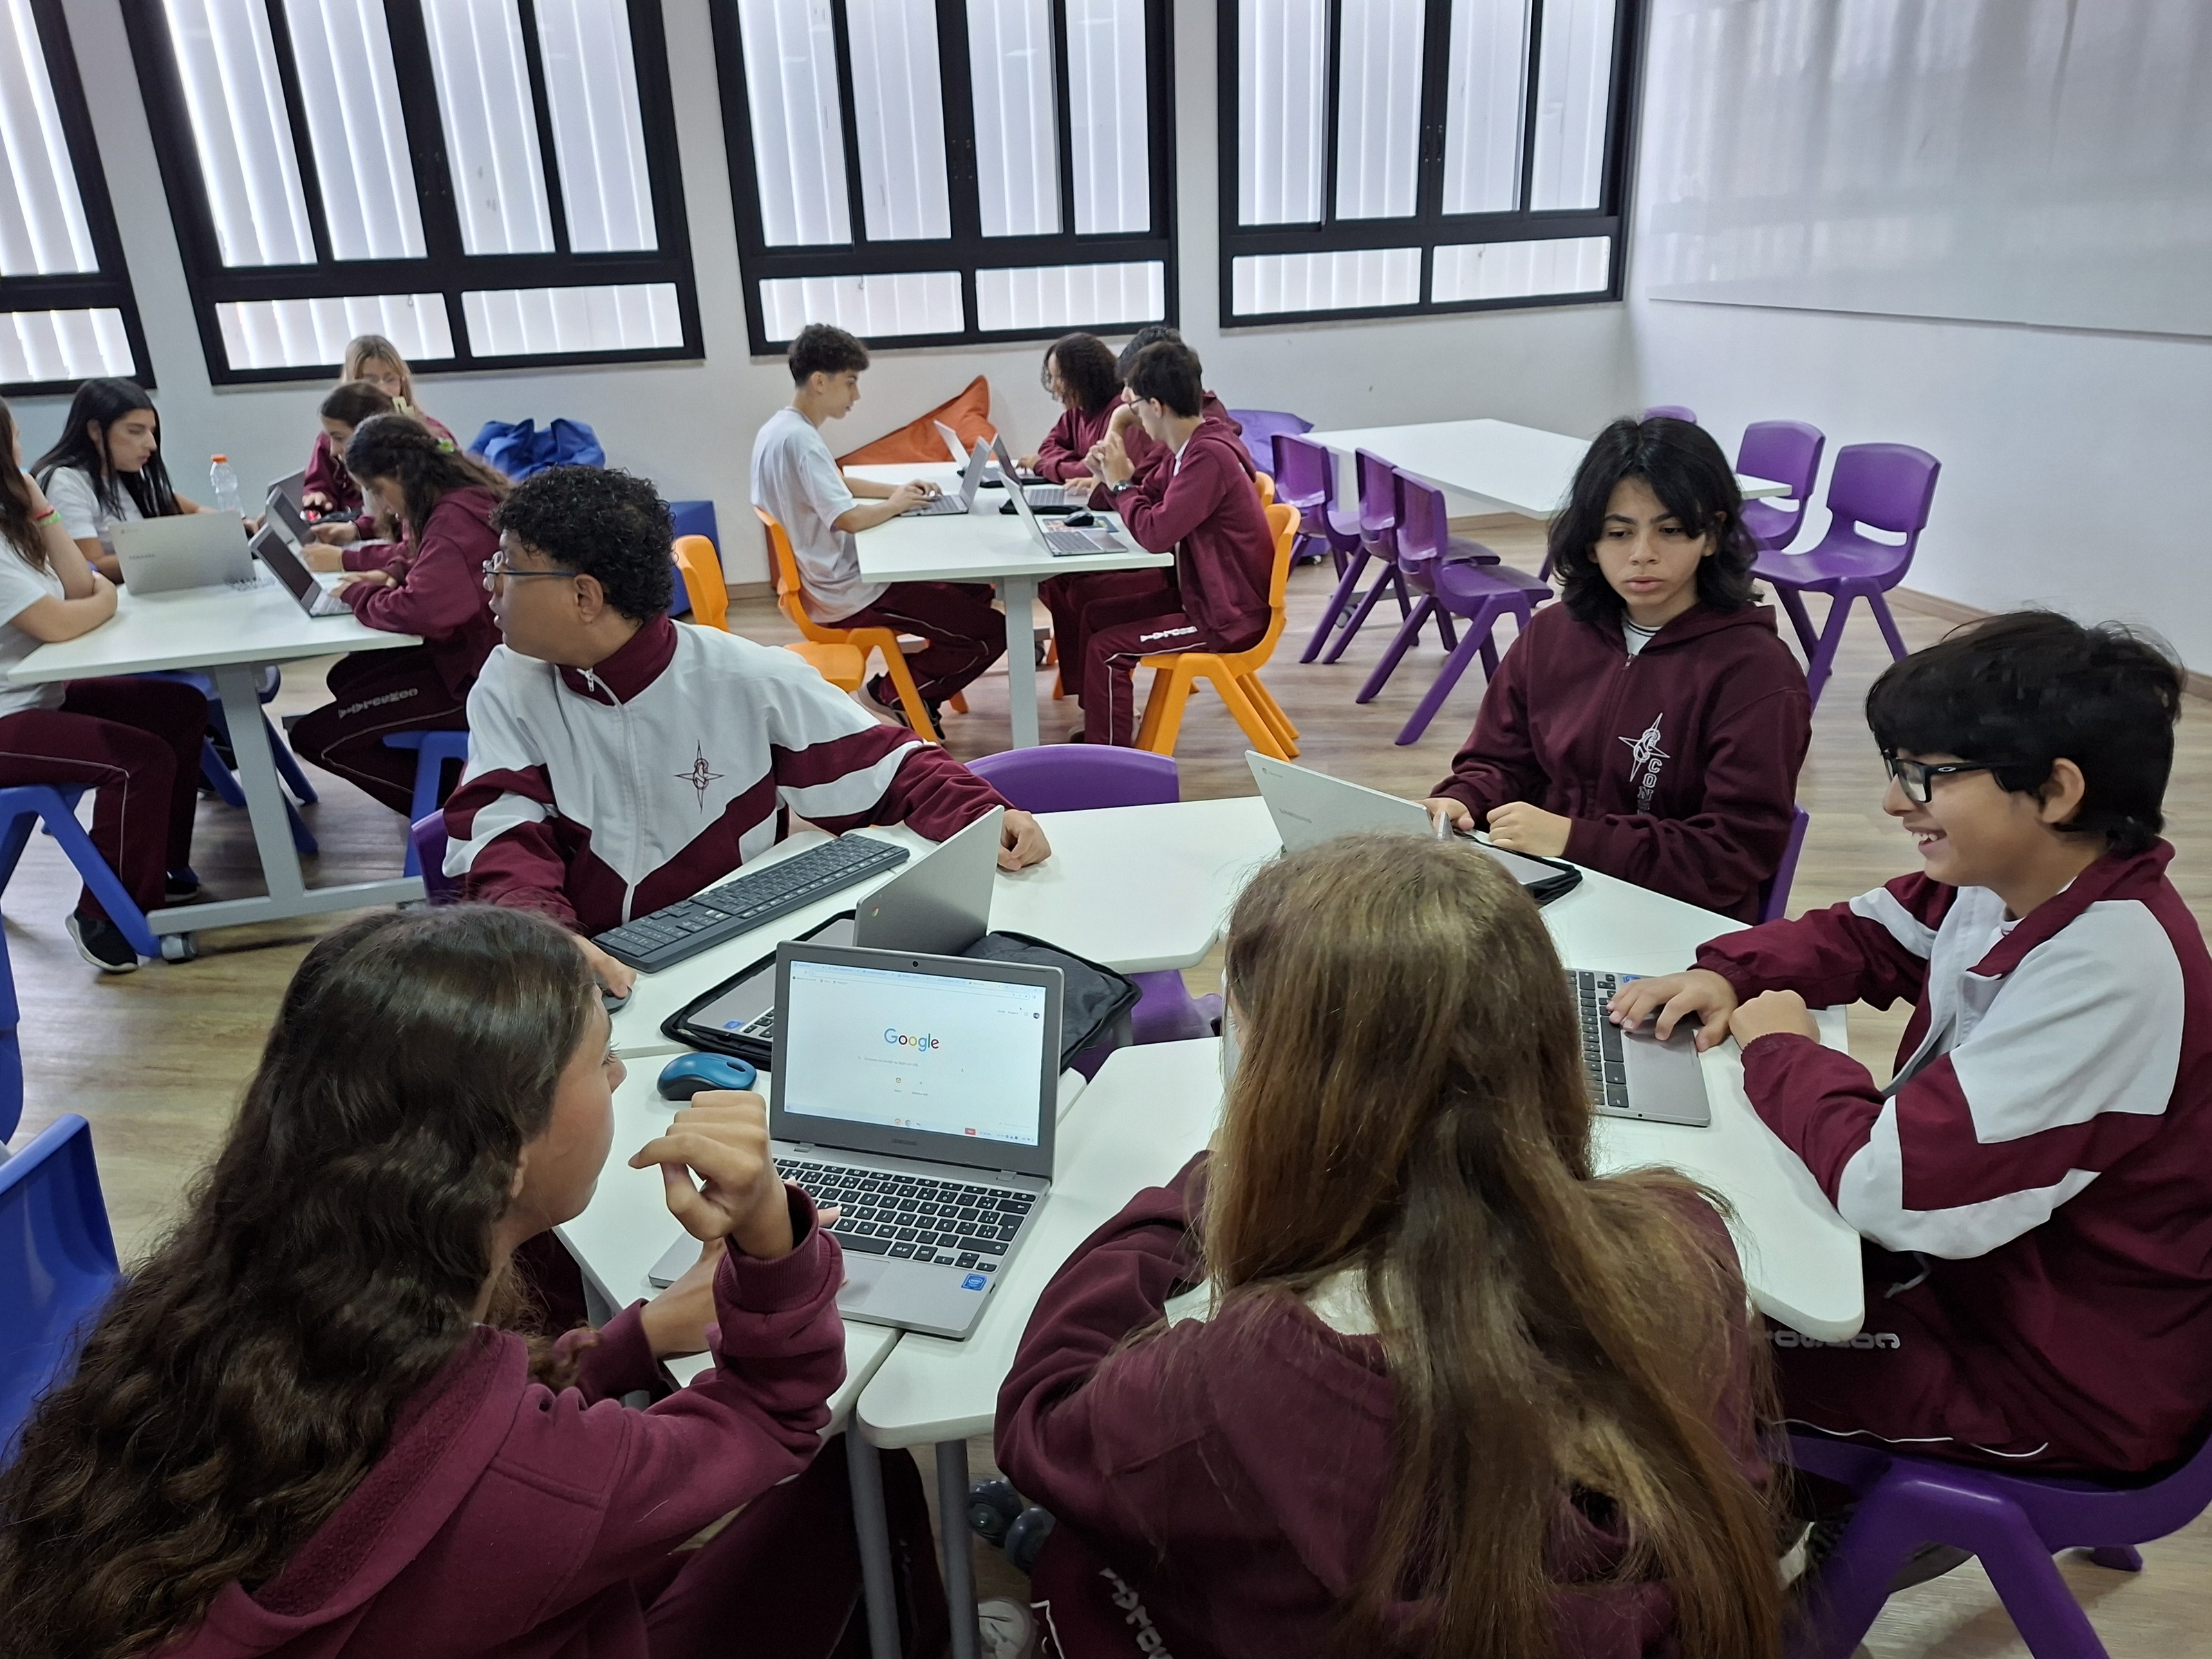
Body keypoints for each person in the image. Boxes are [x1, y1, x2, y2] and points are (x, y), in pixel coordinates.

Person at [0, 903, 879, 1658]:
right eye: (603, 1057)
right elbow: (775, 1415)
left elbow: (437, 1430)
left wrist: (631, 1342)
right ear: (504, 1153)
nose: (619, 1076)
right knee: (856, 1495)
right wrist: (771, 1238)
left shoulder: (217, 1304)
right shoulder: (540, 1486)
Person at [995, 834, 1784, 1659]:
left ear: (1278, 1080)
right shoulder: (1683, 1244)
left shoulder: (1249, 1373)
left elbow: (1044, 1422)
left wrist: (1201, 1186)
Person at [1611, 612, 2212, 1477]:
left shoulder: (2110, 971)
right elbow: (1863, 936)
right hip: (1966, 1277)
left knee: (1650, 1366)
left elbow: (1883, 1185)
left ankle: (1766, 1539)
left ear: (2055, 791)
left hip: (2046, 1377)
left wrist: (1781, 1050)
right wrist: (1728, 973)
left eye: (1926, 776)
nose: (1895, 802)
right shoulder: (2010, 881)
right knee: (1653, 1287)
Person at [444, 465, 1049, 999]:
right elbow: (502, 833)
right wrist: (545, 939)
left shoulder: (742, 677)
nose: (491, 583)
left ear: (584, 596)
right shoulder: (510, 682)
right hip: (589, 977)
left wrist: (987, 817)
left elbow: (892, 767)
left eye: (508, 567)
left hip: (729, 958)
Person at [1423, 416, 1810, 921]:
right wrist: (1464, 799)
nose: (1642, 555)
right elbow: (1499, 761)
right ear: (1591, 542)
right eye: (1619, 533)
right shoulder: (1552, 633)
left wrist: (1575, 839)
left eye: (1670, 530)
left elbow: (1732, 852)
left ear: (1712, 535)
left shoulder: (1757, 673)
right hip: (1546, 887)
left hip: (1675, 916)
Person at [0, 396, 209, 973]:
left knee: (180, 708)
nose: (22, 450)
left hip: (38, 696)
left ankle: (156, 872)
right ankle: (105, 914)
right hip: (7, 717)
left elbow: (77, 583)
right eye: (14, 440)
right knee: (137, 760)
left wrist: (41, 507)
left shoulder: (13, 521)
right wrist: (105, 599)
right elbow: (60, 620)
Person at [749, 324, 1004, 727]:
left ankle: (927, 681)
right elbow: (848, 519)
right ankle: (892, 693)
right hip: (848, 590)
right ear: (820, 382)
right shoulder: (801, 441)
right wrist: (896, 505)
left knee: (973, 590)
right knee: (993, 633)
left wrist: (895, 492)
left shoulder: (779, 430)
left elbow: (835, 484)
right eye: (850, 382)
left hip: (829, 577)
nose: (856, 395)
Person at [287, 415, 505, 817]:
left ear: (402, 474)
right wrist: (395, 573)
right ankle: (443, 785)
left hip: (479, 682)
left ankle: (458, 813)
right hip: (475, 660)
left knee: (316, 738)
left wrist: (357, 593)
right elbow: (433, 562)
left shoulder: (454, 519)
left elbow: (422, 611)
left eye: (378, 490)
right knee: (348, 676)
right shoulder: (461, 497)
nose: (383, 505)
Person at [1074, 341, 1274, 746]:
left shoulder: (1208, 457)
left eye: (1135, 404)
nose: (1131, 412)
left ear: (1156, 406)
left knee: (1108, 649)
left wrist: (1120, 484)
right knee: (1094, 616)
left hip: (1227, 618)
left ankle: (1111, 763)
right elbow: (1145, 497)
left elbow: (1155, 534)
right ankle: (1102, 732)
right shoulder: (1186, 450)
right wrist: (1109, 476)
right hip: (1203, 597)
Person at [1029, 332, 1172, 699]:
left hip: (1153, 558)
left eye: (1060, 377)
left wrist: (1101, 478)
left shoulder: (1132, 420)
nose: (1055, 388)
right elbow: (1049, 451)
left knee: (1077, 587)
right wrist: (1075, 469)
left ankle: (1093, 693)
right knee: (1055, 581)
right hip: (1130, 531)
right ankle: (1085, 691)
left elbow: (1118, 481)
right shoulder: (1078, 413)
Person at [30, 377, 203, 582]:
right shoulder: (66, 481)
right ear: (95, 431)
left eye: (152, 432)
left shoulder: (127, 474)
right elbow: (91, 565)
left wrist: (232, 526)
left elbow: (196, 511)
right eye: (135, 431)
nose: (151, 445)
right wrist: (176, 554)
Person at [298, 377, 397, 527]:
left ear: (370, 434)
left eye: (339, 438)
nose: (333, 451)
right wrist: (355, 529)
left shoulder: (398, 484)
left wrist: (352, 537)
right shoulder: (373, 480)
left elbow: (399, 536)